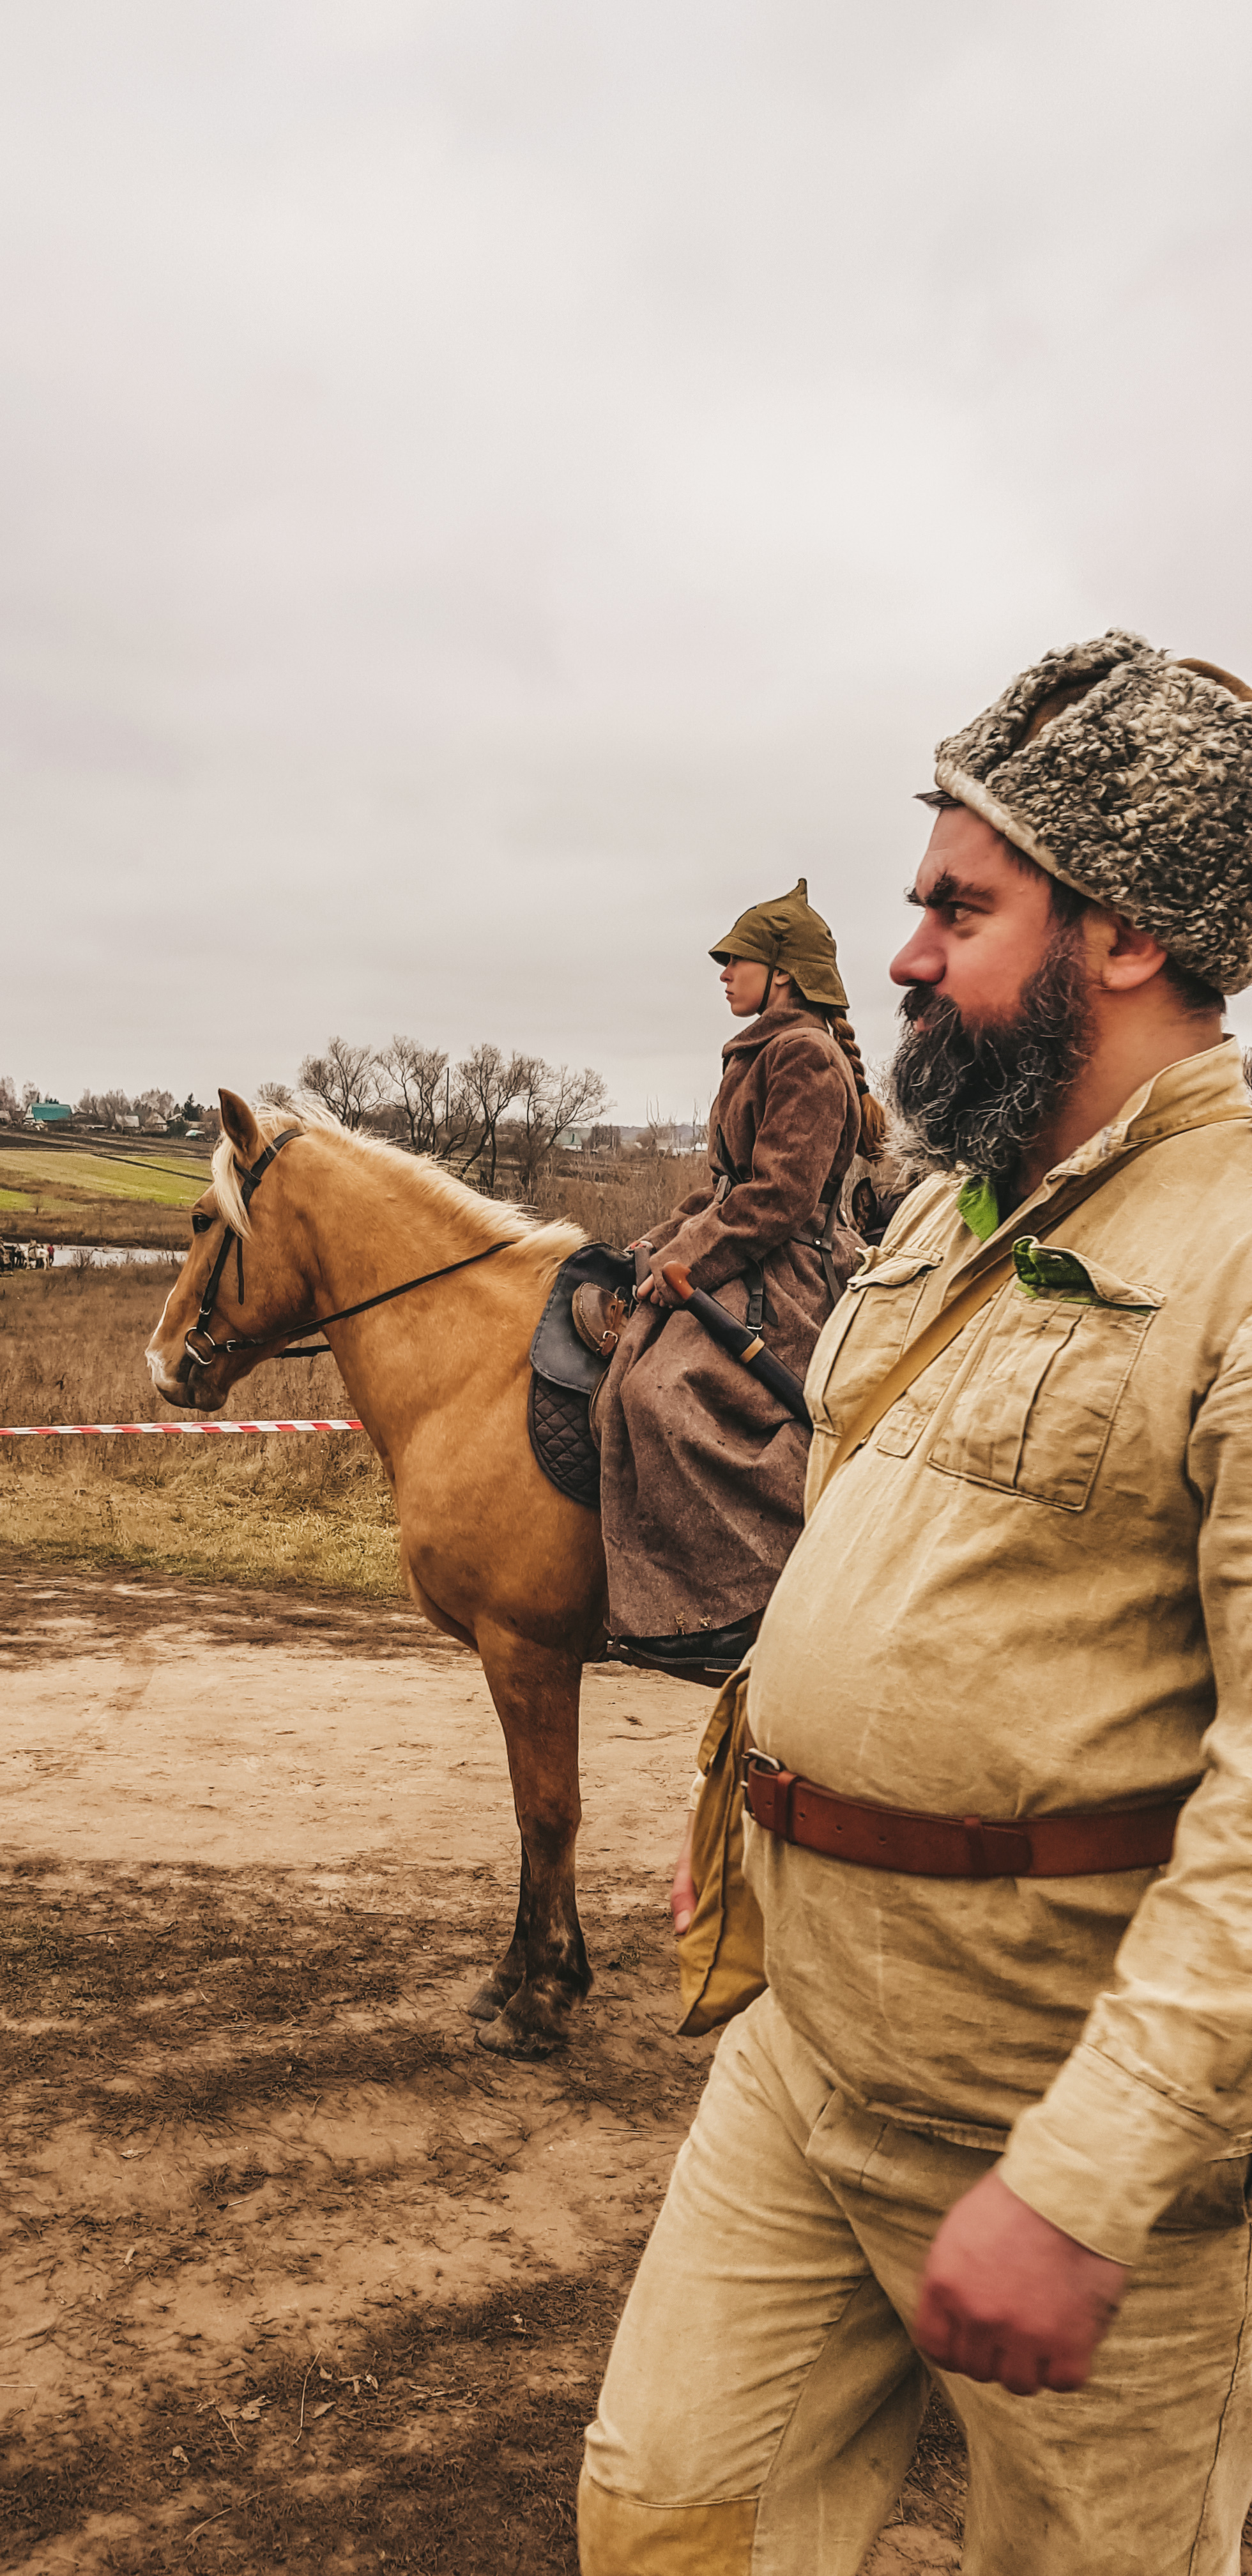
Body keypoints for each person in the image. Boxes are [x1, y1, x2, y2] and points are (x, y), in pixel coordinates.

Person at [579, 632, 1252, 2574]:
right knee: (662, 2522)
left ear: (1116, 934)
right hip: (808, 2059)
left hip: (1057, 2121)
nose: (901, 955)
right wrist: (753, 1785)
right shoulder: (953, 1207)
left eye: (955, 909)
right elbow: (871, 1544)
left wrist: (1087, 2178)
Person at [599, 879, 883, 1676]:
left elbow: (780, 1196)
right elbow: (724, 1188)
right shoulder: (766, 1047)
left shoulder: (804, 1055)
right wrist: (654, 1242)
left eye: (737, 960)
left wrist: (692, 1259)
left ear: (783, 973)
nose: (723, 973)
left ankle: (741, 1602)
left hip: (787, 1274)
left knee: (663, 1393)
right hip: (746, 1251)